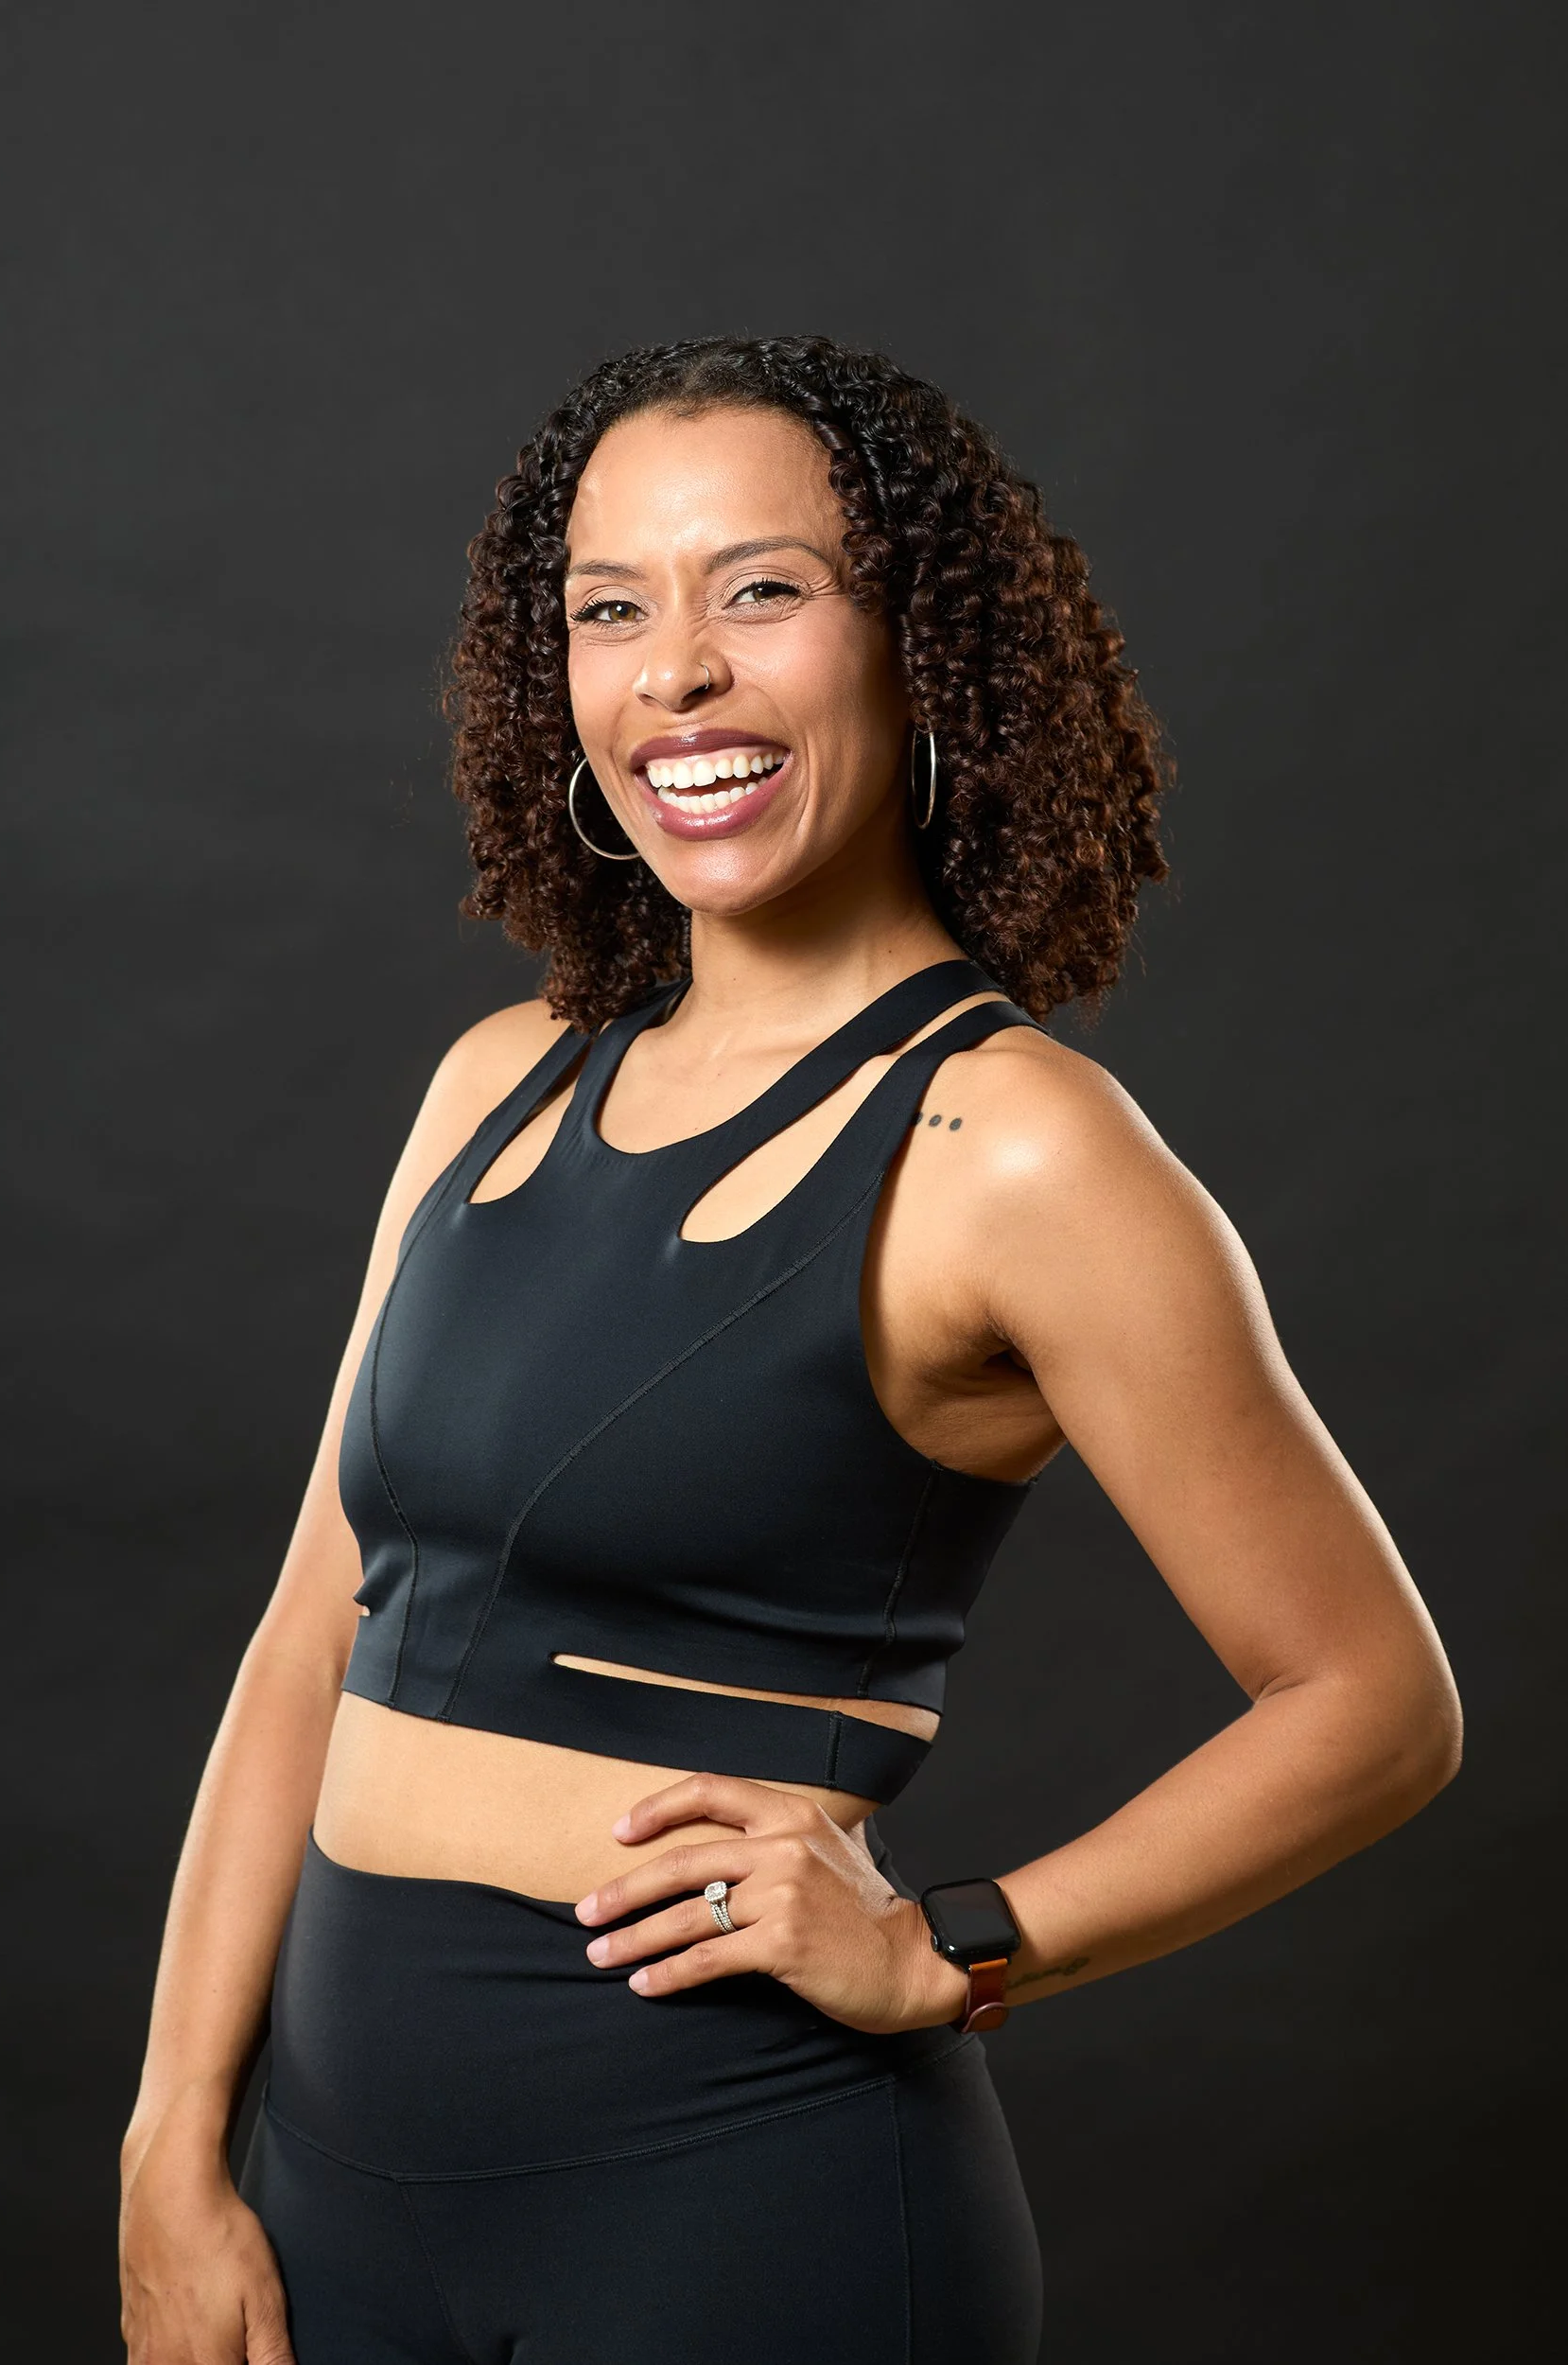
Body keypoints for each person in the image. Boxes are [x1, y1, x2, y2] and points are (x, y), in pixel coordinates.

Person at [118, 335, 1461, 2365]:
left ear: (917, 646)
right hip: (331, 2204)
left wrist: (954, 1944)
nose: (677, 671)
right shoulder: (496, 1082)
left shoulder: (1013, 1146)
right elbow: (315, 1620)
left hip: (741, 2209)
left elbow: (1372, 1702)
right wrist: (170, 2145)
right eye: (609, 610)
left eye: (761, 589)